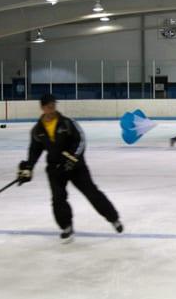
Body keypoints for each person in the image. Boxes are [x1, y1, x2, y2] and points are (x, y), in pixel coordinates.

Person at [17, 94, 123, 243]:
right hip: (55, 169)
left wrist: (73, 158)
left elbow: (80, 140)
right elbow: (34, 150)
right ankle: (66, 226)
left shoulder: (67, 123)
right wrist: (28, 167)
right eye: (49, 106)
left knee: (92, 192)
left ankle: (114, 219)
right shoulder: (37, 130)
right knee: (58, 199)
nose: (52, 108)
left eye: (53, 105)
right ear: (42, 108)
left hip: (76, 167)